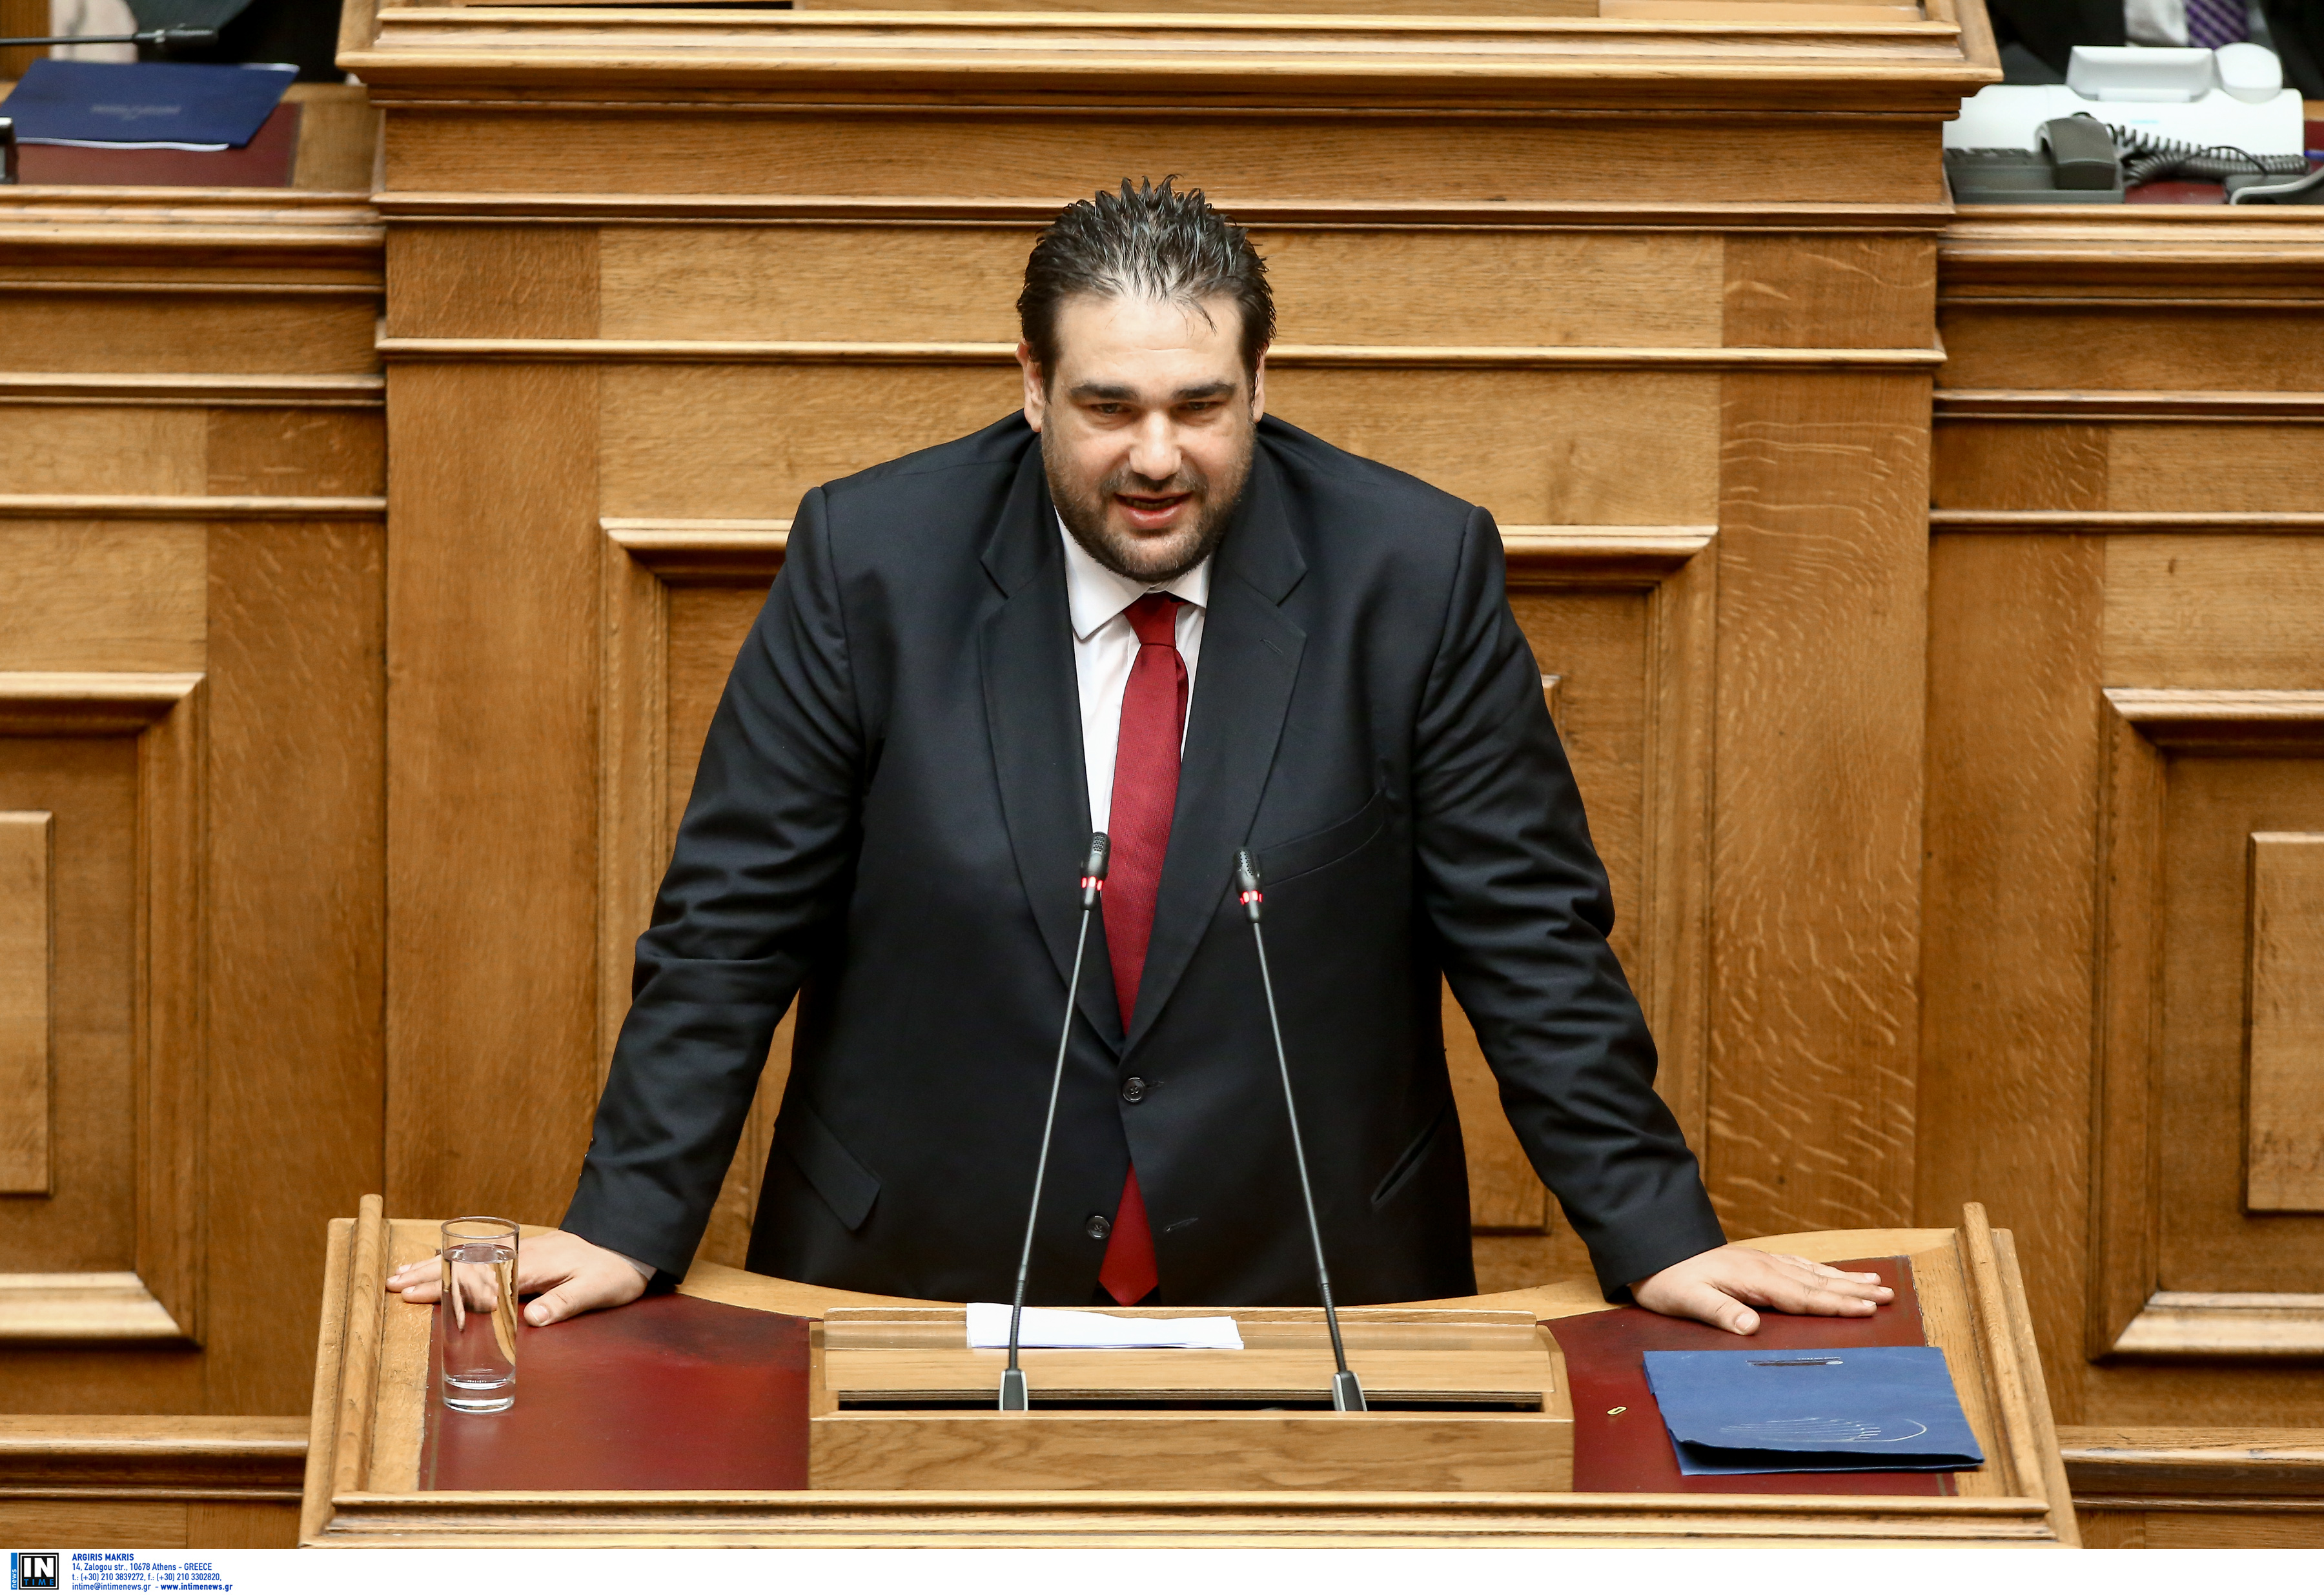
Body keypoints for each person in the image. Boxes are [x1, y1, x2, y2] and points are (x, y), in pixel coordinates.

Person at [391, 179, 1891, 1336]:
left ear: (1262, 387)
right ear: (1031, 385)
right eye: (1108, 407)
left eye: (1201, 407)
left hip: (1311, 1279)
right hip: (914, 1274)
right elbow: (732, 924)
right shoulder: (873, 562)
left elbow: (1529, 937)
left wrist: (1656, 1232)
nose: (1157, 457)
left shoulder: (1411, 574)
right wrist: (629, 1219)